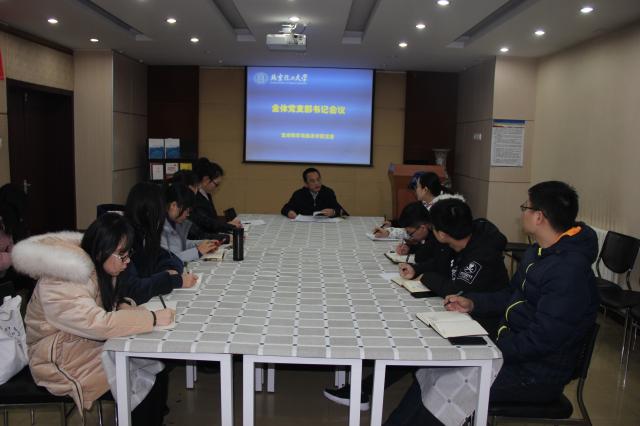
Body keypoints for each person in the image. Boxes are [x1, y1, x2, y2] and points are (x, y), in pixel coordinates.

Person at [383, 181, 600, 426]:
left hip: (536, 373)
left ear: (539, 217)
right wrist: (472, 303)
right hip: (511, 352)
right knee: (433, 370)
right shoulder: (538, 253)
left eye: (526, 207)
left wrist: (490, 351)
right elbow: (511, 295)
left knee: (446, 383)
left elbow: (543, 340)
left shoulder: (569, 272)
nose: (522, 212)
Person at [324, 198, 508, 410]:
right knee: (409, 331)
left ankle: (364, 391)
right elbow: (440, 265)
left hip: (481, 323)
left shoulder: (482, 254)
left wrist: (426, 277)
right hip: (461, 312)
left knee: (416, 337)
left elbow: (457, 290)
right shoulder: (457, 243)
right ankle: (362, 390)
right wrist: (417, 269)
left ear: (441, 234)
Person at [12, 213, 175, 425]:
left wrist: (122, 304)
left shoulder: (98, 265)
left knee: (154, 367)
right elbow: (97, 323)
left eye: (128, 254)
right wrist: (151, 318)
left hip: (81, 345)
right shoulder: (63, 278)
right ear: (102, 250)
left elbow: (103, 306)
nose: (127, 261)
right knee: (138, 380)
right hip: (58, 360)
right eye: (122, 255)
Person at [124, 182, 197, 304]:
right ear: (148, 213)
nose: (162, 216)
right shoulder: (125, 239)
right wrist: (172, 280)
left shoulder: (146, 233)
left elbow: (170, 258)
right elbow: (134, 289)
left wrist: (168, 270)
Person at [373, 172, 446, 239]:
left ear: (425, 190)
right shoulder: (424, 203)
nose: (415, 191)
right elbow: (413, 225)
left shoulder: (443, 210)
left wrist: (389, 233)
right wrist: (391, 225)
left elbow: (420, 234)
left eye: (417, 187)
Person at [161, 182, 220, 263]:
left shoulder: (174, 222)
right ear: (174, 206)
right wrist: (198, 251)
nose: (188, 214)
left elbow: (182, 244)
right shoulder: (159, 227)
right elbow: (169, 259)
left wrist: (203, 244)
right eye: (187, 210)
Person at [188, 158, 241, 239]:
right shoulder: (195, 197)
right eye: (216, 184)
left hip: (212, 234)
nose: (216, 188)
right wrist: (227, 226)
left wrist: (226, 225)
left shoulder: (206, 193)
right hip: (204, 238)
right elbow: (205, 222)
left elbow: (212, 219)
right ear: (206, 179)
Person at [281, 167, 347, 218]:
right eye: (312, 181)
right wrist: (289, 212)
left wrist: (333, 212)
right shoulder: (298, 194)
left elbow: (341, 211)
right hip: (304, 226)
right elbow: (285, 208)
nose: (317, 183)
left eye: (318, 179)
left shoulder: (328, 192)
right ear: (306, 184)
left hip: (324, 226)